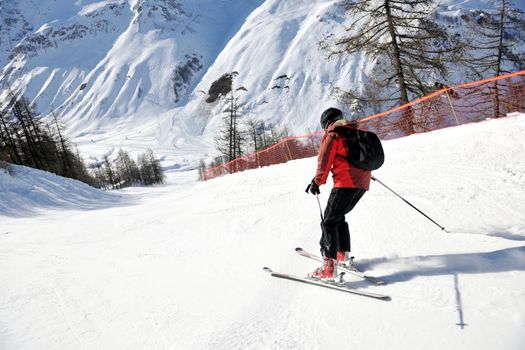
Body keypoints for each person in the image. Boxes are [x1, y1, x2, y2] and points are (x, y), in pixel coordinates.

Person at [305, 107, 371, 280]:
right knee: (337, 217)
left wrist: (316, 182)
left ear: (327, 123)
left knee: (328, 222)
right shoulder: (353, 132)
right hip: (362, 184)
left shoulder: (333, 135)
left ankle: (328, 267)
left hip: (346, 184)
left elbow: (324, 161)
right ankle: (341, 254)